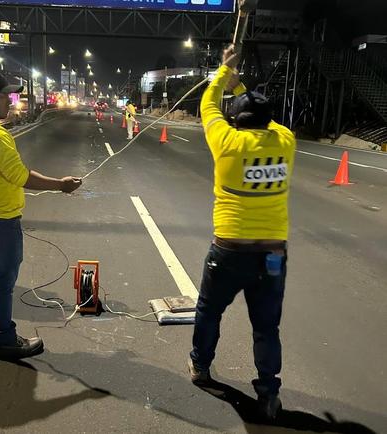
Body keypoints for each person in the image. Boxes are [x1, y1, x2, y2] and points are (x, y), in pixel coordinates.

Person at [188, 46, 296, 421]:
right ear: (267, 121)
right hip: (272, 254)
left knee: (209, 311)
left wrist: (224, 72)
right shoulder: (285, 142)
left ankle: (201, 366)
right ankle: (268, 393)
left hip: (230, 250)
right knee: (266, 327)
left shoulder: (228, 143)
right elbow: (269, 122)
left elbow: (208, 104)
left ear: (236, 121)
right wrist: (240, 87)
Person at [0, 71, 82, 360]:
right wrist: (61, 185)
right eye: (4, 96)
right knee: (2, 283)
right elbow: (21, 176)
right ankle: (6, 340)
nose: (10, 102)